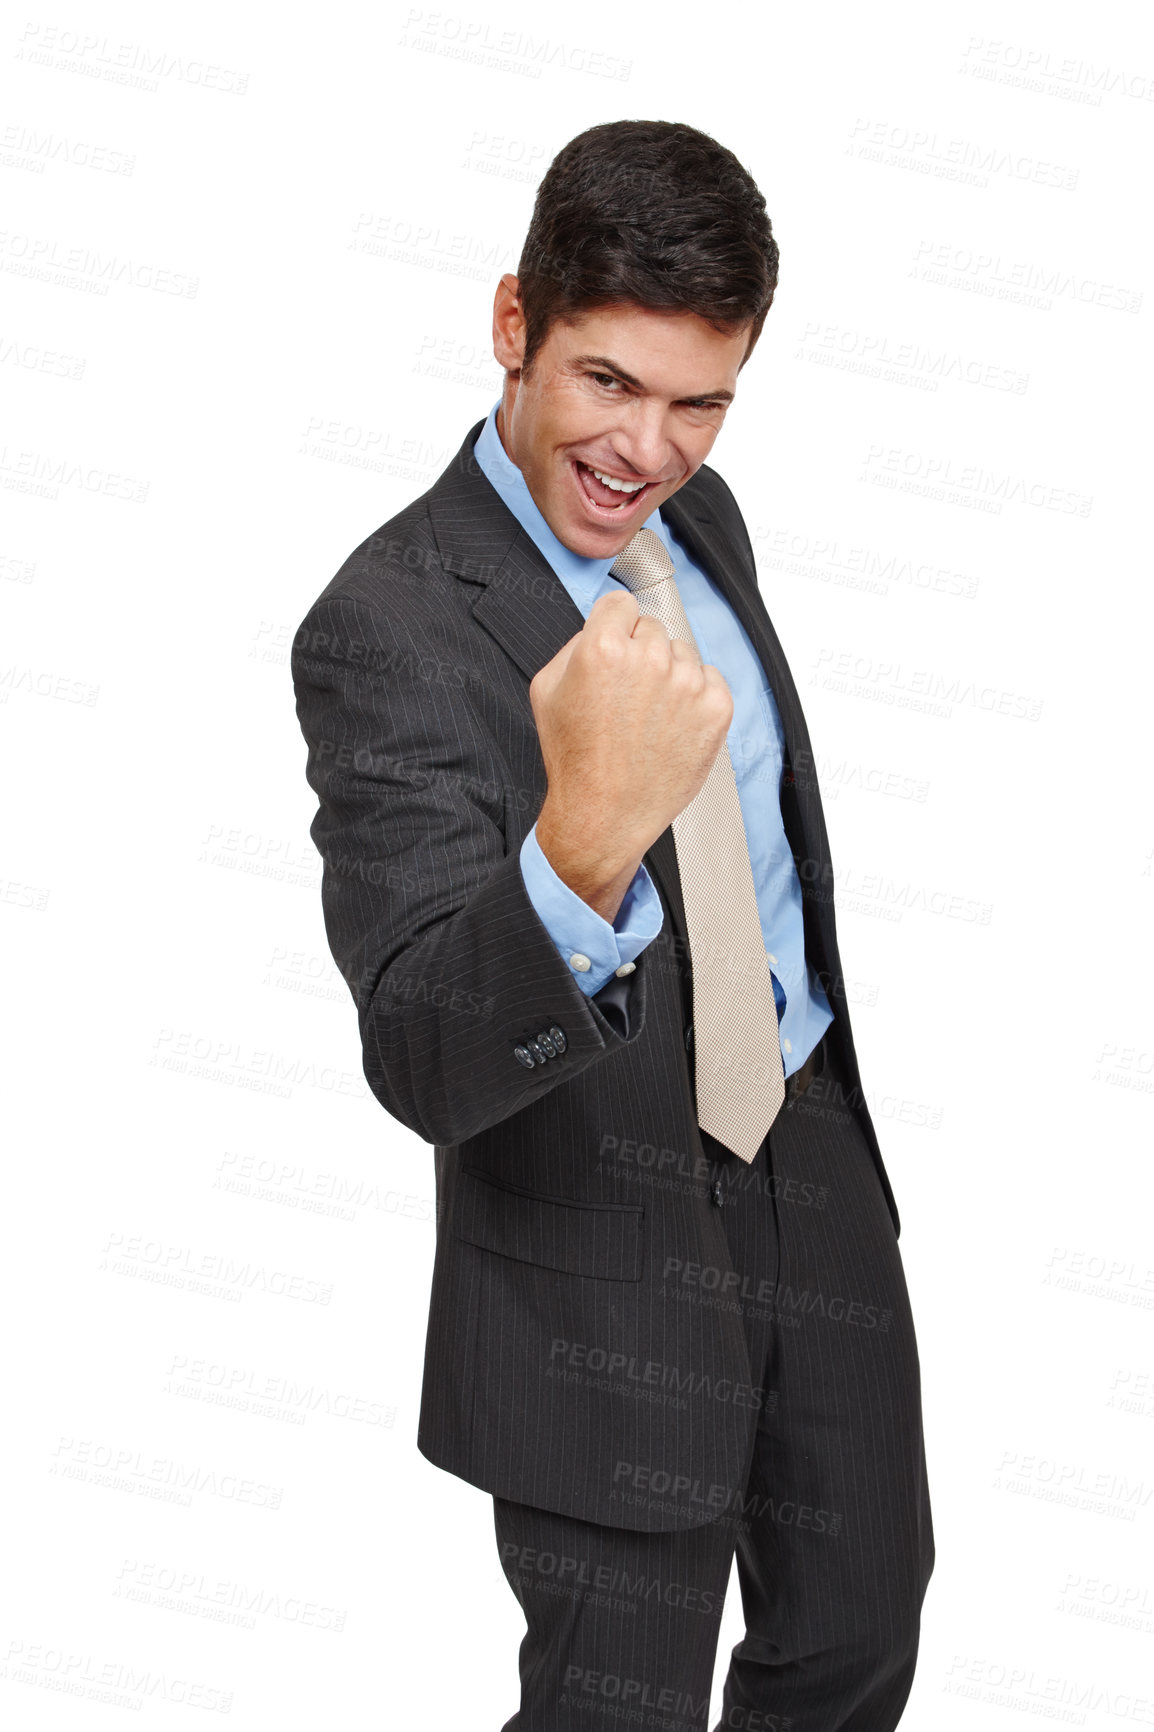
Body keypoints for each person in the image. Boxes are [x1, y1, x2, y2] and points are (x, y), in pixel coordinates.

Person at [292, 119, 934, 1732]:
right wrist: (581, 839)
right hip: (593, 1216)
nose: (645, 450)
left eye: (697, 403)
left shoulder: (695, 533)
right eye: (604, 384)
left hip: (802, 1142)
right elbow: (424, 1050)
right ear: (514, 326)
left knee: (856, 1628)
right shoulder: (389, 624)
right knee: (619, 1705)